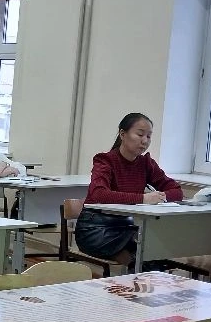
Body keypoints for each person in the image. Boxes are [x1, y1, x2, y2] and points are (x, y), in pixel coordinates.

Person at [74, 112, 183, 270]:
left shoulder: (146, 163)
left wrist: (161, 196)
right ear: (122, 134)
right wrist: (144, 199)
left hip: (126, 228)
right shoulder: (105, 160)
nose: (145, 141)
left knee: (155, 252)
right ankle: (135, 284)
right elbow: (99, 194)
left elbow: (177, 191)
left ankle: (143, 283)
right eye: (140, 134)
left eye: (149, 136)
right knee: (144, 258)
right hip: (96, 229)